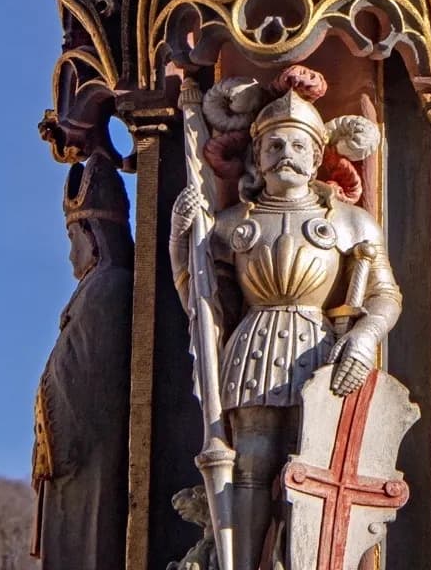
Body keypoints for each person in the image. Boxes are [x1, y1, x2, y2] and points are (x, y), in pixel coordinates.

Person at [170, 81, 401, 570]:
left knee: (312, 463)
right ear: (257, 155)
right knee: (251, 465)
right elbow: (204, 302)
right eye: (274, 144)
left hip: (321, 351)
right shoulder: (232, 224)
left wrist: (362, 340)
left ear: (317, 157)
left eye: (298, 145)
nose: (285, 154)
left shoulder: (352, 223)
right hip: (254, 346)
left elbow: (385, 295)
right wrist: (179, 244)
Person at [32, 153, 134, 567]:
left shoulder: (108, 287)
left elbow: (83, 385)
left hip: (87, 460)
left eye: (74, 240)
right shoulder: (94, 289)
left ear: (93, 234)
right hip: (70, 464)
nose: (71, 255)